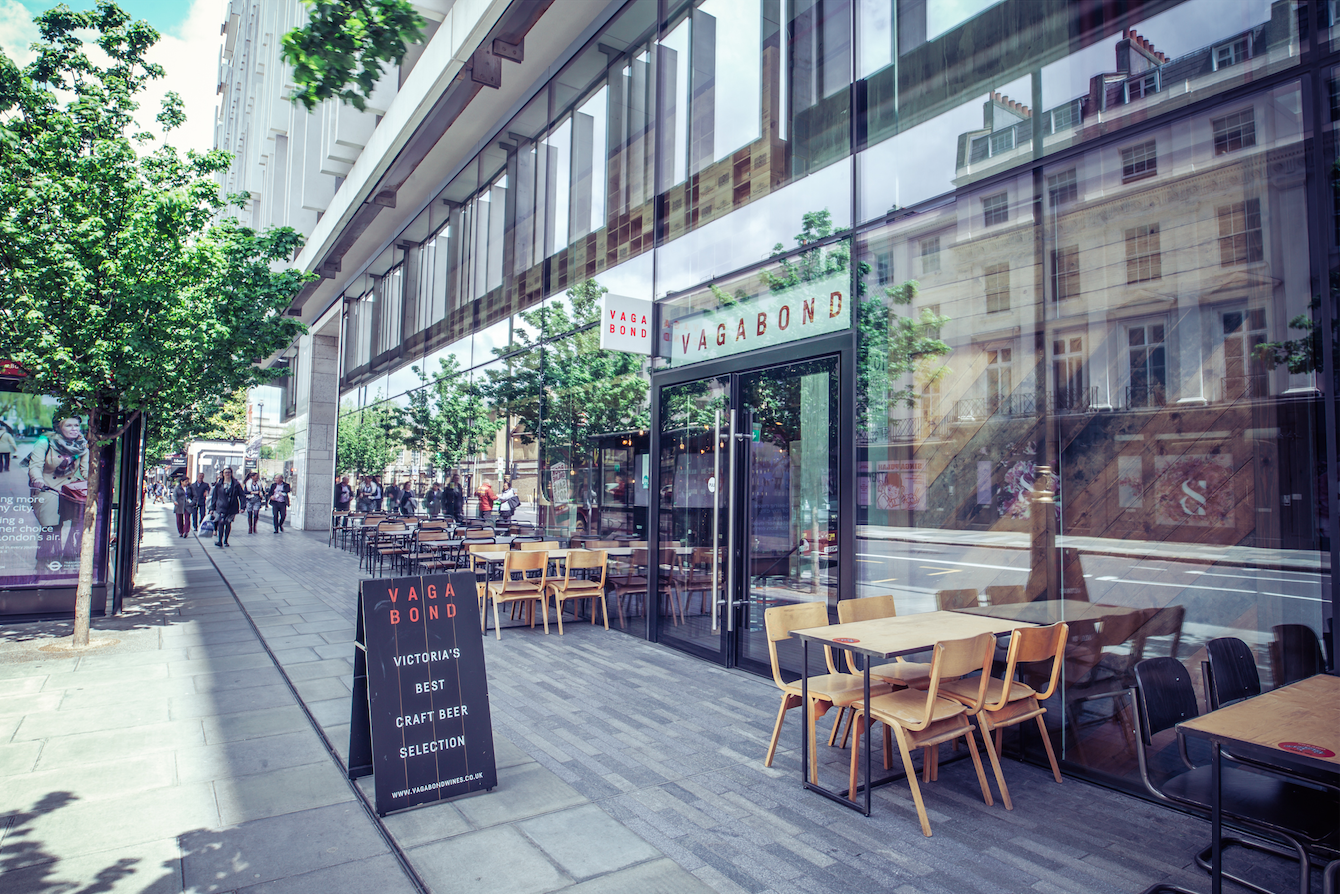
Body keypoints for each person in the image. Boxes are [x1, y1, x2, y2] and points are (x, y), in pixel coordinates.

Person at [28, 417, 89, 563]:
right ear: (58, 427)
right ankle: (45, 558)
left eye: (76, 425)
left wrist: (98, 480)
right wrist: (38, 480)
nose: (74, 428)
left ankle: (70, 554)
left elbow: (86, 471)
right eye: (69, 425)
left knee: (78, 523)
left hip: (69, 489)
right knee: (51, 525)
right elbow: (35, 466)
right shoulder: (45, 442)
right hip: (47, 487)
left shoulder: (82, 445)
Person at [210, 466, 244, 547]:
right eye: (225, 472)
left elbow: (241, 495)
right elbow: (214, 496)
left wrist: (243, 506)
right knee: (221, 522)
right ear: (223, 474)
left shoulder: (236, 484)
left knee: (228, 523)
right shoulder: (219, 485)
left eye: (229, 472)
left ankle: (226, 540)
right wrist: (212, 508)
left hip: (232, 506)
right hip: (221, 506)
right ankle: (220, 541)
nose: (227, 474)